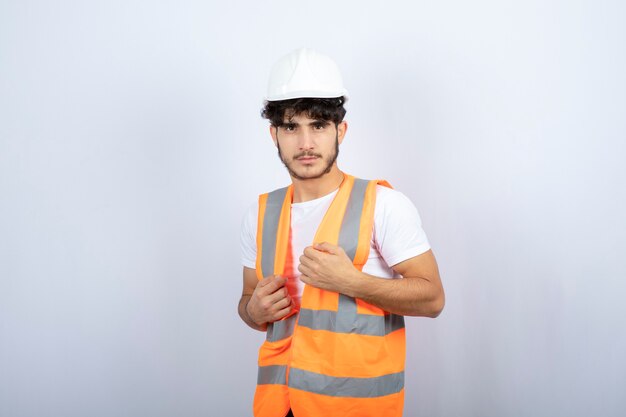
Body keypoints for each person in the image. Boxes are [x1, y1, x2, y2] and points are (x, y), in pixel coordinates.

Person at [238, 48, 445, 417]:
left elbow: (432, 299)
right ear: (274, 134)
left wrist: (352, 282)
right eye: (291, 127)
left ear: (340, 130)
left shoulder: (382, 204)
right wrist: (253, 311)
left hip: (357, 408)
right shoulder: (260, 213)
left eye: (318, 125)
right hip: (279, 406)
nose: (305, 143)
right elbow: (249, 302)